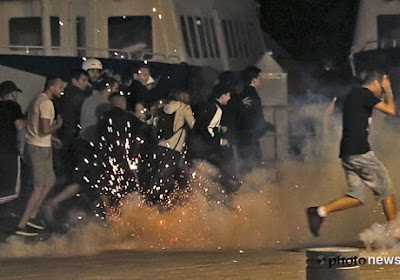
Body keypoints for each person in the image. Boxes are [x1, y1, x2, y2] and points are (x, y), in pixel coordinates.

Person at [306, 70, 397, 237]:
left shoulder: (352, 95)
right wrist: (388, 89)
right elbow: (391, 110)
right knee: (386, 190)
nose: (381, 93)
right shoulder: (365, 93)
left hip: (347, 153)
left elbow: (330, 111)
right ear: (376, 83)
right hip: (360, 152)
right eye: (381, 89)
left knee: (356, 196)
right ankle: (396, 234)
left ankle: (319, 211)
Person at [15, 76, 64, 236]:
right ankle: (23, 224)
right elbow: (44, 129)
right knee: (39, 187)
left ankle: (33, 216)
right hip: (39, 149)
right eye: (59, 87)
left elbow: (33, 124)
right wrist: (57, 126)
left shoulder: (36, 99)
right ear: (52, 87)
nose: (61, 90)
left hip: (36, 145)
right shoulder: (47, 104)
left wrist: (52, 138)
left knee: (50, 180)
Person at [148, 88, 195, 206]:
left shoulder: (162, 108)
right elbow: (193, 125)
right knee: (167, 178)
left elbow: (152, 124)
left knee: (159, 175)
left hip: (160, 147)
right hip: (174, 149)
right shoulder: (184, 108)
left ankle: (155, 200)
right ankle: (156, 204)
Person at [238, 66, 274, 172]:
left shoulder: (242, 95)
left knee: (247, 166)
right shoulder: (252, 96)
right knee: (254, 167)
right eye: (259, 78)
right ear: (254, 80)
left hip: (243, 137)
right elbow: (256, 119)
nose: (261, 80)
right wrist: (271, 127)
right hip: (249, 138)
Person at [0, 81, 25, 205]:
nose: (17, 95)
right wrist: (29, 121)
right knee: (13, 191)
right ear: (11, 93)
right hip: (9, 150)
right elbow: (19, 126)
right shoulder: (14, 106)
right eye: (16, 92)